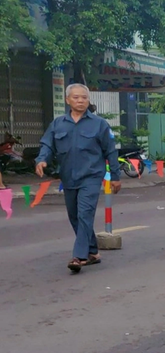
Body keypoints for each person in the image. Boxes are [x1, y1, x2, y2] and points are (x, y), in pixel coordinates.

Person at [35, 84, 121, 274]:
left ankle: (79, 256)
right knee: (74, 216)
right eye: (76, 97)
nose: (80, 101)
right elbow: (47, 145)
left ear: (88, 100)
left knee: (85, 214)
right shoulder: (58, 124)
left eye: (84, 97)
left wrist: (115, 176)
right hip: (68, 177)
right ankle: (92, 252)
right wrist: (41, 160)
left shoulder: (99, 124)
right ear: (68, 100)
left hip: (91, 176)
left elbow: (111, 151)